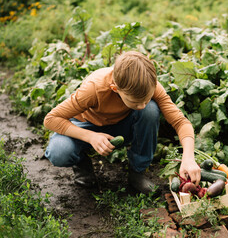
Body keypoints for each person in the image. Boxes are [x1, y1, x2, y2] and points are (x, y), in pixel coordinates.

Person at [43, 51, 201, 194]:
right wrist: (90, 136)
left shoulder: (149, 85)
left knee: (151, 110)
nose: (142, 105)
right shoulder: (94, 89)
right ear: (115, 88)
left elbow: (180, 122)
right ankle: (81, 163)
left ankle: (137, 172)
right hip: (86, 126)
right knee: (59, 152)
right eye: (135, 102)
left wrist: (188, 158)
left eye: (146, 98)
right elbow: (51, 120)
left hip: (122, 125)